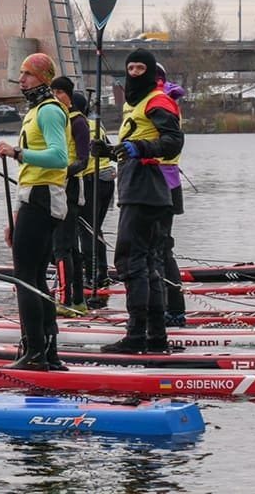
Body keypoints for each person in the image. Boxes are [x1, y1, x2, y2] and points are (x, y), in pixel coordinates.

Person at [91, 48, 183, 354]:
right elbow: (133, 142)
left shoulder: (157, 100)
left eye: (140, 68)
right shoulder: (137, 103)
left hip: (146, 186)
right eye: (130, 68)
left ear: (151, 70)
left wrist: (139, 149)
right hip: (138, 185)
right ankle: (156, 337)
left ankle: (135, 336)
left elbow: (172, 142)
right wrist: (108, 150)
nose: (133, 73)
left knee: (131, 262)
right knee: (147, 263)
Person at [0, 52, 70, 371]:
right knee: (36, 277)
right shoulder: (37, 111)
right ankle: (47, 353)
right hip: (34, 197)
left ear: (43, 78)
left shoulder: (50, 110)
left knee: (25, 277)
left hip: (43, 197)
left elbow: (59, 157)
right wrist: (16, 218)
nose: (21, 80)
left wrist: (17, 152)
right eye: (21, 75)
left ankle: (35, 352)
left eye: (26, 75)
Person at [49, 76, 90, 316]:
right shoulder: (57, 119)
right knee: (70, 248)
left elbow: (83, 161)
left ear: (69, 95)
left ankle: (64, 301)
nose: (56, 97)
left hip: (70, 188)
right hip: (55, 187)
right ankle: (77, 300)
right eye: (53, 92)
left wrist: (60, 170)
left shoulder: (78, 122)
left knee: (62, 248)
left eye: (60, 93)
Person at [72, 91, 116, 307]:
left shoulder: (74, 124)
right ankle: (103, 272)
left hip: (92, 179)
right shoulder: (94, 124)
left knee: (86, 229)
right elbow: (108, 149)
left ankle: (91, 275)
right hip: (108, 179)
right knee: (95, 228)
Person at [155, 62, 188, 327]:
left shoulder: (162, 101)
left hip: (162, 183)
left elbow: (168, 144)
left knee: (161, 249)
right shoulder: (162, 99)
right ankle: (164, 307)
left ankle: (173, 311)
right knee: (157, 248)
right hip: (160, 181)